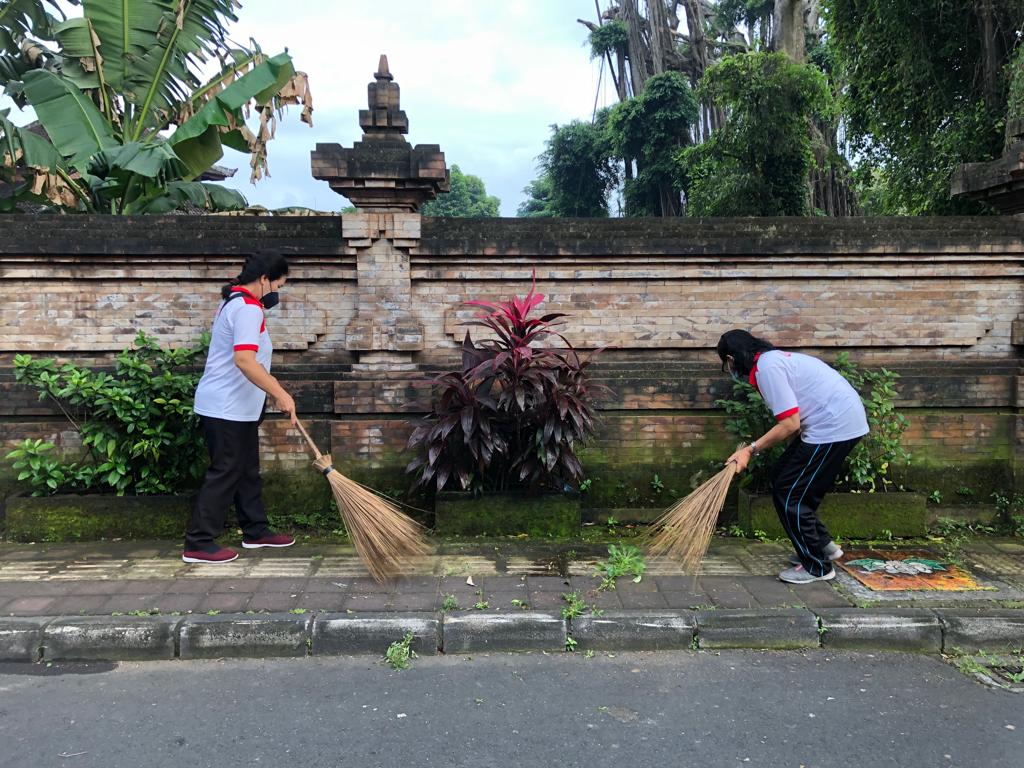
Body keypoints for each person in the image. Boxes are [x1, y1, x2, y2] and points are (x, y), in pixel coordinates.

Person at [717, 330, 869, 584]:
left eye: (727, 365)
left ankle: (817, 567)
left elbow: (789, 423)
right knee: (783, 478)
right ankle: (824, 548)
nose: (729, 369)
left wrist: (749, 449)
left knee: (790, 493)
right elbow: (794, 424)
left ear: (731, 359)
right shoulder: (770, 362)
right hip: (833, 423)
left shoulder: (767, 369)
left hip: (833, 426)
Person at [182, 252, 299, 564]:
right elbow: (245, 360)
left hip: (238, 407)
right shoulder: (247, 308)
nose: (277, 292)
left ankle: (256, 531)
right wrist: (280, 393)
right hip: (226, 407)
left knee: (246, 470)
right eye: (278, 285)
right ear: (264, 280)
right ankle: (199, 542)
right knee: (226, 471)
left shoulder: (234, 303)